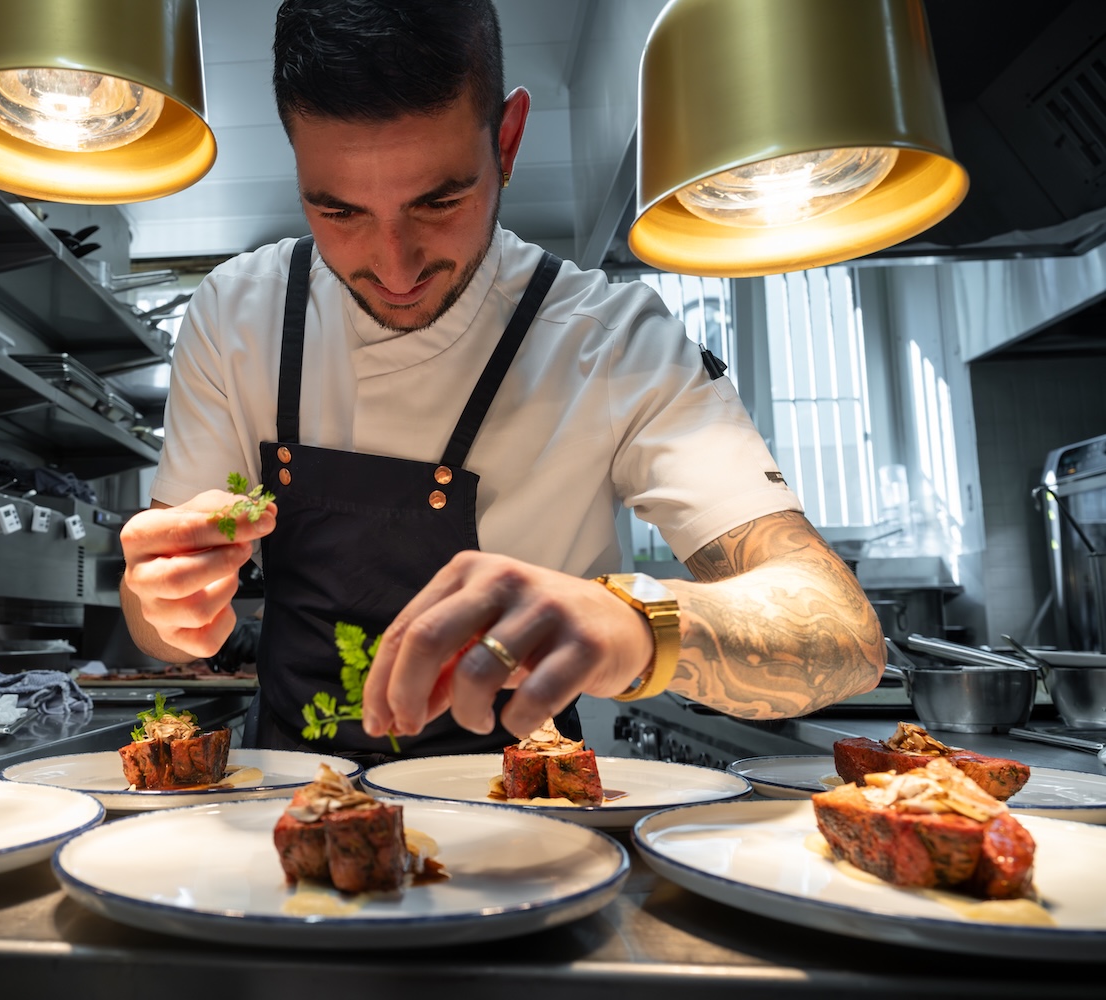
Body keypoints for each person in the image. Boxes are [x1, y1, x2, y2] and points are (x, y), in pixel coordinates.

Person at [119, 0, 884, 762]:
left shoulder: (612, 342)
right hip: (288, 806)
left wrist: (627, 619)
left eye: (439, 201)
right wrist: (168, 604)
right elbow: (153, 624)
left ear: (508, 141)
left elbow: (842, 633)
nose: (395, 266)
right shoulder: (237, 314)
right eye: (340, 211)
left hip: (526, 822)